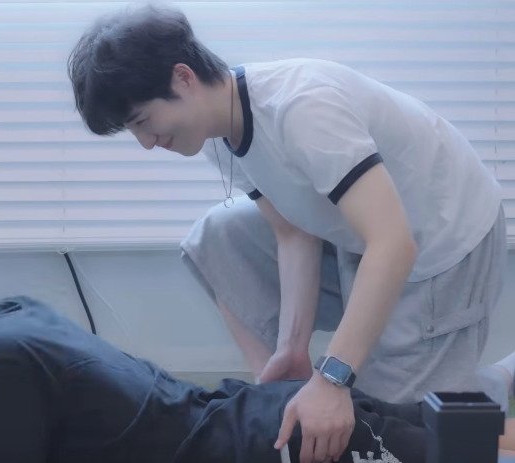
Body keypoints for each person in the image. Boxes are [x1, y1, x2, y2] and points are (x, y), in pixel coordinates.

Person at [67, 4, 507, 462]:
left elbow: (394, 244)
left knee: (385, 428)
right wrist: (293, 349)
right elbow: (293, 232)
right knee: (218, 234)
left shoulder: (302, 109)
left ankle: (481, 386)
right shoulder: (220, 135)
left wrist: (333, 379)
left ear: (183, 78)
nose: (146, 143)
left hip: (442, 240)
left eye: (142, 121)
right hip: (366, 237)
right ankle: (441, 380)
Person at [0, 296, 515, 463]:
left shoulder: (1, 372)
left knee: (463, 444)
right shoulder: (13, 318)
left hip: (282, 447)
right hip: (275, 412)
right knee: (475, 434)